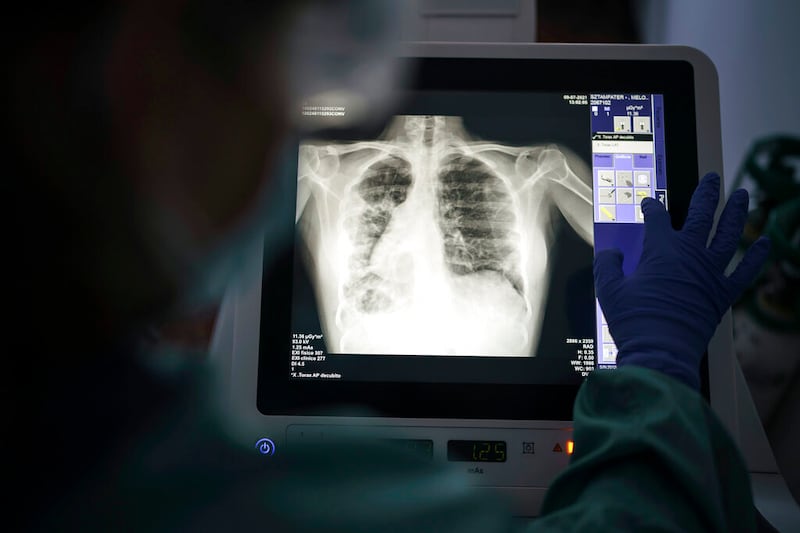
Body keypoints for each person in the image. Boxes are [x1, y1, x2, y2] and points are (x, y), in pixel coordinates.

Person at [7, 2, 771, 531]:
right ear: (149, 79)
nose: (280, 137)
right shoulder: (227, 495)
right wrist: (659, 369)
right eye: (275, 83)